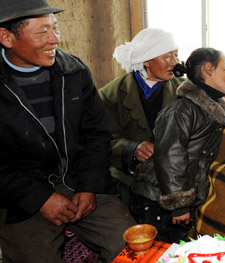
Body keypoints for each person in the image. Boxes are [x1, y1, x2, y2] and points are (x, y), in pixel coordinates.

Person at [0, 0, 136, 262]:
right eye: (42, 32)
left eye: (56, 28)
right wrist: (39, 198)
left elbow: (96, 134)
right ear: (6, 37)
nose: (54, 40)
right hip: (22, 196)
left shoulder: (73, 71)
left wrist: (89, 186)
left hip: (80, 182)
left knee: (134, 246)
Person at [132, 47, 225, 243]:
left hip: (174, 199)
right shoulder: (183, 110)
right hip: (156, 201)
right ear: (208, 70)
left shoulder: (208, 110)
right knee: (159, 253)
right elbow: (171, 157)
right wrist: (179, 205)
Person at [98, 28, 183, 206]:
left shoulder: (184, 92)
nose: (175, 62)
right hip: (127, 182)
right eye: (167, 56)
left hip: (174, 182)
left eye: (176, 55)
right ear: (146, 61)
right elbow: (101, 139)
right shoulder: (111, 94)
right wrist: (131, 148)